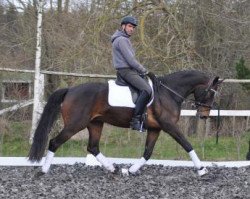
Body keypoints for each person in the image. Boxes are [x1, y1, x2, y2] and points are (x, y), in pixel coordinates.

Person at [111, 16, 152, 132]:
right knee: (147, 90)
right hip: (126, 71)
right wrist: (144, 70)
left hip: (127, 70)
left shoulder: (122, 39)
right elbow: (131, 60)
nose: (132, 29)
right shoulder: (122, 40)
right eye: (129, 26)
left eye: (133, 27)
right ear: (123, 26)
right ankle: (135, 120)